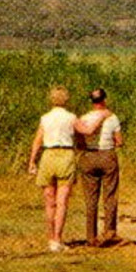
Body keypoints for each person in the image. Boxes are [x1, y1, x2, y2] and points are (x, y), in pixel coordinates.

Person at [27, 86, 82, 253]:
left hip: (48, 155)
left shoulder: (45, 118)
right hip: (65, 155)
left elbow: (38, 140)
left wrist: (32, 161)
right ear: (66, 99)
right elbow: (79, 138)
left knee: (49, 201)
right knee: (62, 201)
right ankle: (58, 238)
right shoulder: (72, 117)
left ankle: (51, 238)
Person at [75, 88, 124, 247]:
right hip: (107, 155)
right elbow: (119, 141)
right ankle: (109, 231)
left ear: (92, 101)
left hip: (89, 156)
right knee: (110, 195)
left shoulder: (84, 118)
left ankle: (91, 236)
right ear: (104, 99)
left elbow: (80, 142)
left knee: (91, 198)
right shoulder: (112, 117)